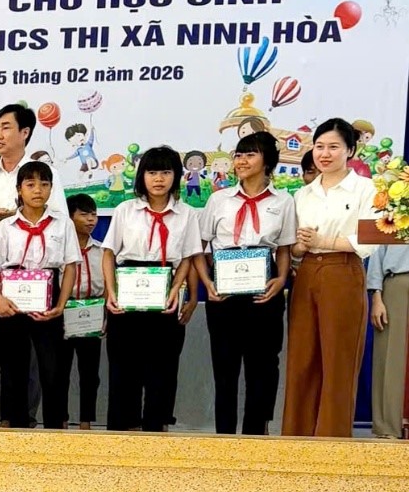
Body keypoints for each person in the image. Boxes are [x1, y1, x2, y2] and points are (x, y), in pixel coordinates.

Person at [0, 103, 68, 426]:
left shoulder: (43, 176)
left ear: (25, 132)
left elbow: (59, 219)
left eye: (6, 127)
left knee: (29, 351)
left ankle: (21, 415)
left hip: (34, 276)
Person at [195, 131, 296, 435]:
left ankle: (256, 436)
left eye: (250, 154)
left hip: (264, 290)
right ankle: (225, 437)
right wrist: (207, 283)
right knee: (224, 368)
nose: (241, 161)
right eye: (238, 155)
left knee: (263, 367)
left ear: (268, 161)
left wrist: (281, 280)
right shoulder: (219, 199)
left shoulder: (284, 201)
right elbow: (199, 247)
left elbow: (284, 248)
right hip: (224, 291)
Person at [284, 118, 379, 437]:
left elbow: (369, 240)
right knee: (302, 358)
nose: (324, 154)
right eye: (319, 146)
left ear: (350, 150)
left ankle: (332, 440)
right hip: (307, 272)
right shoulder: (303, 194)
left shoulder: (365, 189)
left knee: (338, 359)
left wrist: (324, 240)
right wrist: (300, 245)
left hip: (343, 271)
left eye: (333, 147)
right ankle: (296, 438)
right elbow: (295, 248)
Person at [102, 146, 201, 432]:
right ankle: (123, 432)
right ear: (142, 176)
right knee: (123, 369)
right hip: (127, 291)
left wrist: (176, 288)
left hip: (165, 292)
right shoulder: (125, 210)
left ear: (176, 176)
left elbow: (187, 257)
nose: (159, 179)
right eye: (152, 172)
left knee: (163, 368)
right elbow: (109, 253)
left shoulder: (187, 214)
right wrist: (111, 292)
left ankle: (155, 432)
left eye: (166, 172)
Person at [0, 161, 77, 429]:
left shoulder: (62, 224)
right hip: (12, 297)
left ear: (51, 189)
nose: (38, 190)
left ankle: (55, 425)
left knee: (52, 366)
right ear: (19, 189)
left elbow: (70, 266)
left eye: (44, 184)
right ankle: (15, 423)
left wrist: (61, 304)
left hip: (49, 296)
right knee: (13, 365)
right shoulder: (6, 227)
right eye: (30, 184)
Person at [60, 193, 104, 429]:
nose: (91, 220)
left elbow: (108, 284)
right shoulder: (59, 251)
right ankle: (61, 419)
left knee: (90, 373)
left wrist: (106, 314)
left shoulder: (102, 251)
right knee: (60, 370)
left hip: (92, 313)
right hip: (63, 312)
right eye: (84, 214)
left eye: (94, 214)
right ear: (69, 218)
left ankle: (86, 421)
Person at [369, 243, 409, 438]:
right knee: (390, 355)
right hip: (396, 280)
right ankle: (388, 426)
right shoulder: (387, 220)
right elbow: (376, 249)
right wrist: (376, 296)